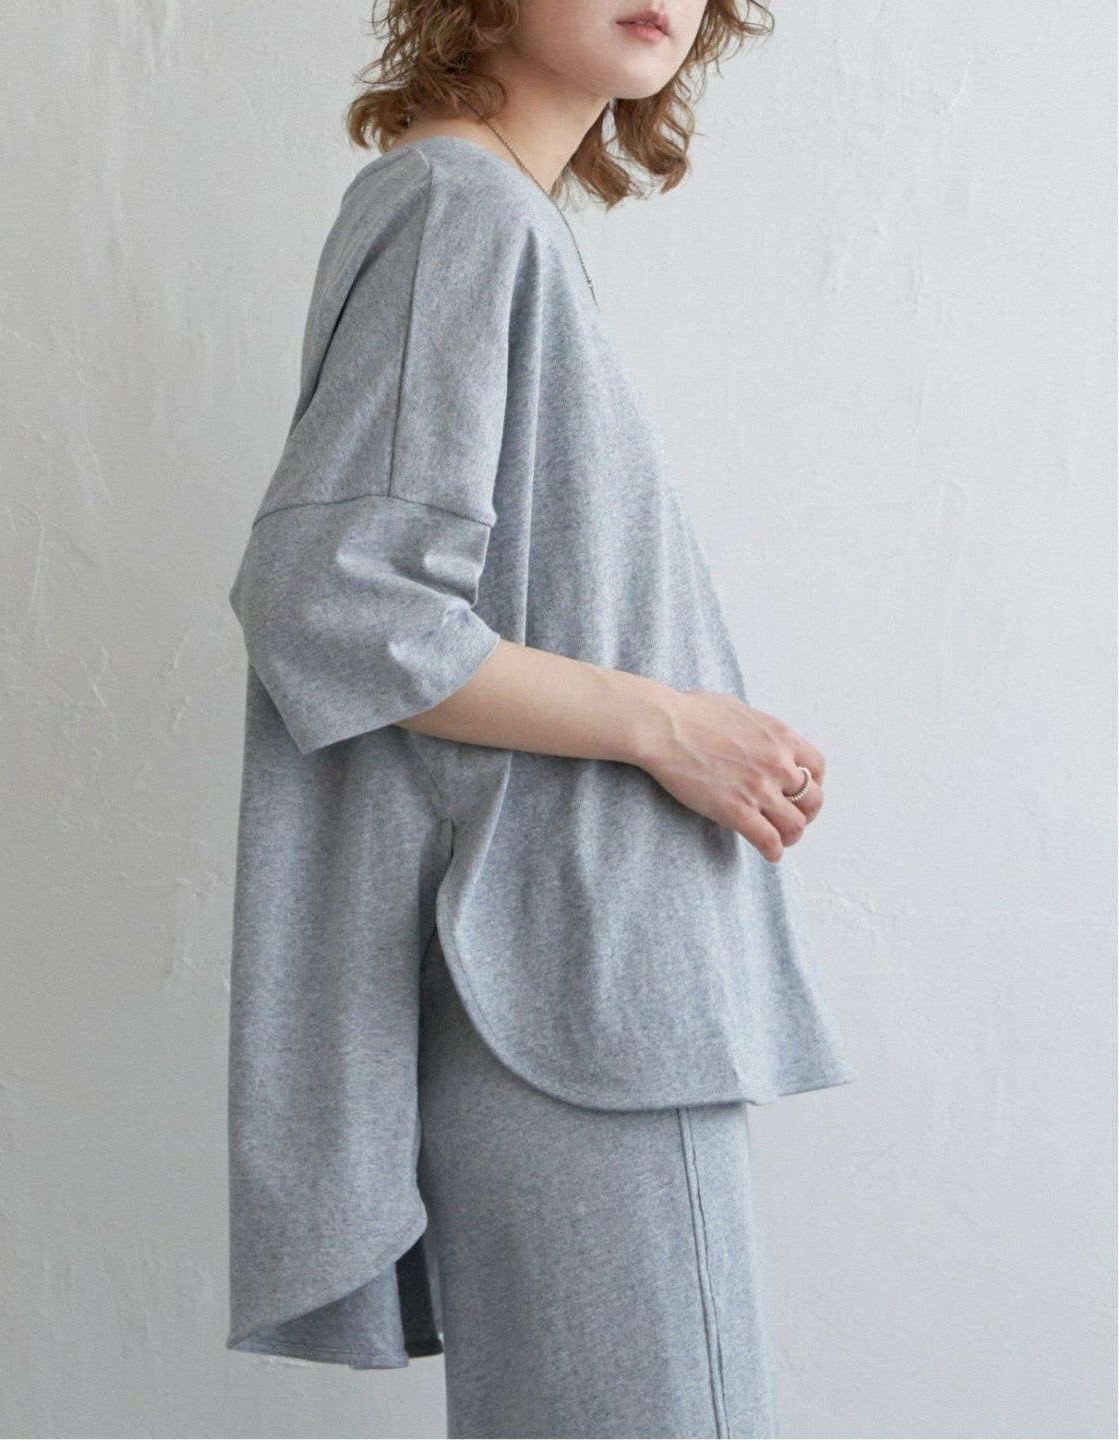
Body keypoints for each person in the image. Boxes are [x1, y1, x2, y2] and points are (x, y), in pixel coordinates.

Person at [224, 2, 858, 1436]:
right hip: (576, 989)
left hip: (569, 984)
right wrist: (669, 724)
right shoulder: (460, 207)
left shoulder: (491, 215)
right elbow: (333, 597)